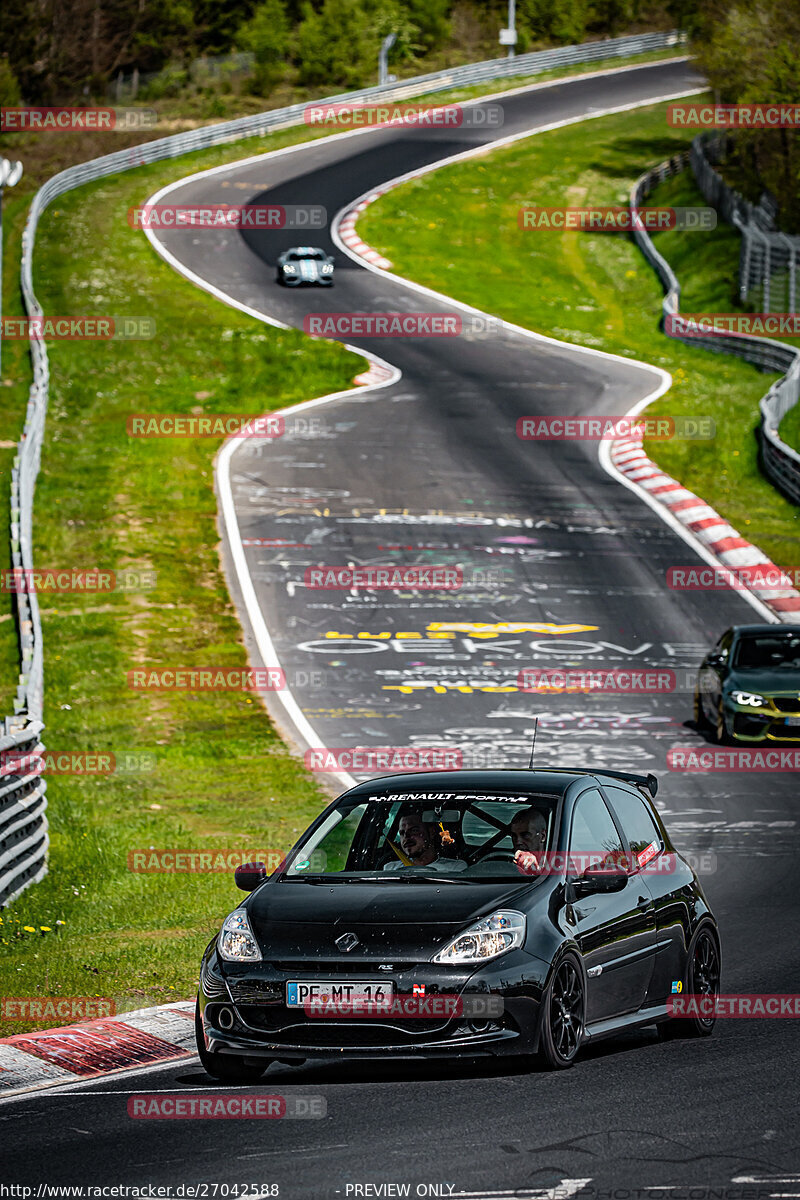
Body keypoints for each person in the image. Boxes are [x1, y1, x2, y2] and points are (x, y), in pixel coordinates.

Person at [383, 812, 467, 872]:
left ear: (431, 832)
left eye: (414, 830)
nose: (406, 836)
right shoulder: (390, 869)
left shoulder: (455, 869)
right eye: (402, 833)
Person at [510, 807, 548, 875]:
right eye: (514, 836)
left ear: (542, 836)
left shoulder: (558, 863)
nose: (518, 842)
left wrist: (536, 870)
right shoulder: (507, 860)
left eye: (526, 835)